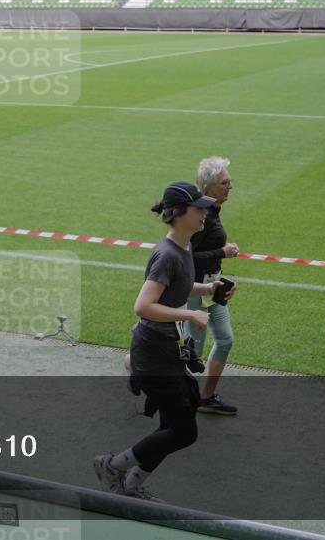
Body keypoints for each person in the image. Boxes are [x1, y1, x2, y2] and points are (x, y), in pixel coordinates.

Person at [94, 181, 235, 500]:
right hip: (154, 354)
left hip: (168, 352)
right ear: (179, 212)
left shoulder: (184, 247)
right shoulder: (168, 253)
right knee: (184, 431)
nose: (205, 213)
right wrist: (188, 316)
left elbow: (178, 288)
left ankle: (130, 485)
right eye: (199, 208)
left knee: (173, 425)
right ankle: (113, 467)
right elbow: (143, 306)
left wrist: (210, 290)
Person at [186, 156, 239, 415]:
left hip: (212, 289)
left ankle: (205, 398)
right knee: (191, 352)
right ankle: (139, 368)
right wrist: (222, 252)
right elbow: (186, 256)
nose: (230, 186)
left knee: (225, 340)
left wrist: (221, 272)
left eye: (230, 181)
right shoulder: (201, 215)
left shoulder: (213, 211)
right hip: (195, 291)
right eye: (225, 182)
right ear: (208, 188)